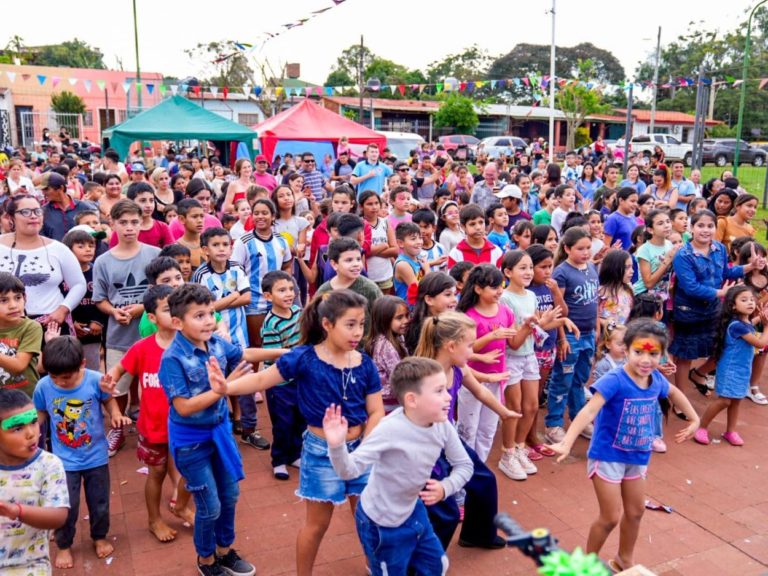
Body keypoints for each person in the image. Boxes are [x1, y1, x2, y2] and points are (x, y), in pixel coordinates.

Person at [206, 290, 385, 576]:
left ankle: (377, 566)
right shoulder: (304, 358)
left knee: (368, 518)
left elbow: (376, 411)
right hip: (321, 453)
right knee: (317, 525)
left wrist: (367, 446)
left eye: (361, 324)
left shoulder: (364, 363)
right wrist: (226, 389)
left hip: (359, 451)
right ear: (327, 324)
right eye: (350, 324)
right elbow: (263, 378)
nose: (358, 332)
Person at [547, 319, 698, 573]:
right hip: (608, 455)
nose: (645, 360)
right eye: (638, 352)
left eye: (653, 354)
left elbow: (673, 392)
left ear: (662, 356)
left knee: (637, 511)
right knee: (609, 518)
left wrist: (694, 418)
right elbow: (588, 410)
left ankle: (623, 559)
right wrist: (567, 441)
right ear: (626, 350)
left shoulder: (655, 379)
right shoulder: (615, 379)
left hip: (637, 456)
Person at [158, 283, 283, 576]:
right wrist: (221, 391)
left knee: (230, 496)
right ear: (177, 322)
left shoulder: (214, 342)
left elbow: (244, 353)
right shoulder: (172, 359)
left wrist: (287, 351)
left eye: (211, 313)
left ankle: (225, 551)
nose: (208, 321)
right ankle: (206, 560)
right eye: (199, 316)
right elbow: (184, 407)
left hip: (220, 432)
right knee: (209, 505)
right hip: (191, 442)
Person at [322, 357, 473, 575]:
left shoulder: (443, 425)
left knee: (438, 566)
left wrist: (446, 487)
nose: (449, 396)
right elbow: (349, 471)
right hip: (381, 523)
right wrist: (337, 446)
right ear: (412, 399)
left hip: (413, 511)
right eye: (439, 390)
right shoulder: (388, 430)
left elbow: (464, 465)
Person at [33, 336, 131, 569]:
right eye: (53, 376)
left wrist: (115, 415)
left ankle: (99, 536)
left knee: (99, 502)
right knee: (66, 504)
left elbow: (108, 401)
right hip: (63, 461)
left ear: (83, 365)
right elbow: (39, 415)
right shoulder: (43, 386)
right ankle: (64, 544)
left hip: (96, 456)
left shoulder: (96, 380)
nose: (59, 382)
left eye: (65, 377)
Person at [107, 285, 194, 541]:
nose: (176, 313)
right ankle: (154, 520)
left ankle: (181, 506)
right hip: (154, 424)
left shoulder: (191, 344)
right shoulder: (142, 348)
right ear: (152, 318)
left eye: (180, 307)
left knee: (190, 468)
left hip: (187, 423)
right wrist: (109, 380)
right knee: (156, 472)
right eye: (168, 309)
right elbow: (119, 370)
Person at [93, 199, 161, 456]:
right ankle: (118, 427)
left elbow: (163, 290)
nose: (130, 227)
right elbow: (100, 298)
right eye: (123, 222)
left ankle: (150, 426)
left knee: (154, 383)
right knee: (117, 385)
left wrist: (141, 309)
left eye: (134, 222)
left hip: (153, 333)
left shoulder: (154, 254)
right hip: (118, 335)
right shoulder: (103, 262)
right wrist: (114, 311)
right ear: (113, 224)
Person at [671, 210, 763, 397]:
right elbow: (690, 287)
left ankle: (699, 374)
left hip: (713, 309)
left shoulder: (720, 248)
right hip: (689, 311)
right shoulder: (683, 255)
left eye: (710, 226)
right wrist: (721, 292)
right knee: (685, 356)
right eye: (700, 226)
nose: (706, 230)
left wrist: (749, 267)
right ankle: (678, 400)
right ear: (692, 228)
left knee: (720, 347)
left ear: (715, 227)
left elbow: (726, 273)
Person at [499, 251, 563, 480]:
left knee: (532, 406)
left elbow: (536, 329)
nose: (527, 272)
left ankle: (518, 447)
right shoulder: (505, 299)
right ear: (508, 272)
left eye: (529, 267)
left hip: (530, 356)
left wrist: (546, 322)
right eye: (521, 268)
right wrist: (531, 326)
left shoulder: (531, 296)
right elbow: (513, 341)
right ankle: (507, 454)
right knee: (514, 408)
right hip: (512, 358)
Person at [0, 388, 69, 575]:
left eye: (33, 422)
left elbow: (59, 515)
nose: (31, 433)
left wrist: (17, 511)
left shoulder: (48, 465)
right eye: (17, 428)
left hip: (31, 566)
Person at [0, 195, 86, 336]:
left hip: (50, 325)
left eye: (37, 211)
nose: (33, 216)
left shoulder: (58, 249)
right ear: (11, 217)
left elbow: (79, 284)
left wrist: (63, 309)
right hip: (5, 326)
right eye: (26, 212)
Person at [695, 286, 768, 446]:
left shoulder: (743, 322)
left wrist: (761, 318)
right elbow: (761, 342)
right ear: (733, 305)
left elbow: (751, 324)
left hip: (742, 369)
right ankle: (701, 427)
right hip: (731, 370)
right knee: (725, 400)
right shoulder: (737, 326)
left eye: (751, 299)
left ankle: (731, 431)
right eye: (744, 300)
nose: (749, 302)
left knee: (736, 400)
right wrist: (767, 326)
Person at [545, 228, 599, 444]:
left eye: (588, 248)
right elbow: (558, 309)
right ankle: (554, 423)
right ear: (567, 248)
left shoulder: (592, 268)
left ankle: (579, 418)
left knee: (580, 379)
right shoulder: (561, 272)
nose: (585, 252)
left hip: (588, 334)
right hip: (570, 335)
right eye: (580, 249)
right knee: (562, 379)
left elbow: (594, 302)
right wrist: (562, 338)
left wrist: (596, 329)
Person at [259, 271, 306, 480]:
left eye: (290, 289)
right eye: (281, 290)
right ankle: (279, 460)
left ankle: (294, 455)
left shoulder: (297, 311)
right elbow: (275, 357)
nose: (289, 294)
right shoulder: (270, 324)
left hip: (300, 379)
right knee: (282, 423)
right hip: (280, 383)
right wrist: (297, 354)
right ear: (268, 296)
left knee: (300, 419)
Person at [232, 198, 292, 348]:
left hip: (278, 301)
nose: (260, 216)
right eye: (256, 213)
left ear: (273, 216)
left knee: (280, 343)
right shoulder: (243, 242)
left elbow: (287, 267)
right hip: (254, 303)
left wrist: (285, 291)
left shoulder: (281, 240)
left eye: (264, 213)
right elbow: (235, 272)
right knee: (257, 345)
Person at [193, 228, 251, 349]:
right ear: (205, 250)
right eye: (215, 245)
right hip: (215, 331)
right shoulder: (201, 275)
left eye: (225, 244)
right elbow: (205, 308)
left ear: (231, 248)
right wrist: (233, 296)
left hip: (239, 331)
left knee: (243, 364)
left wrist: (217, 304)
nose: (221, 248)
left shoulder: (237, 268)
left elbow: (246, 298)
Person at [317, 238, 383, 335]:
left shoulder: (370, 289)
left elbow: (382, 318)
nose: (356, 264)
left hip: (365, 347)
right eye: (349, 260)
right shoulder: (324, 291)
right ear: (334, 264)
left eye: (358, 259)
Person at [62, 229, 107, 371]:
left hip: (92, 333)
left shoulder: (98, 271)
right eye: (80, 246)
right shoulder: (62, 274)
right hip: (69, 331)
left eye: (91, 245)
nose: (88, 249)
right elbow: (58, 300)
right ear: (68, 250)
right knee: (69, 368)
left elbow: (106, 297)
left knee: (91, 369)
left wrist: (98, 321)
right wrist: (71, 322)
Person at [0, 273, 42, 396]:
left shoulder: (31, 327)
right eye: (3, 300)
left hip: (25, 401)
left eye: (17, 298)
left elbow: (19, 366)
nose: (13, 305)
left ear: (25, 298)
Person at [366, 296, 410, 413]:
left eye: (407, 316)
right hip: (389, 404)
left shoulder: (397, 336)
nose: (406, 321)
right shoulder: (386, 346)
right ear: (384, 320)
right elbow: (400, 376)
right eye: (399, 318)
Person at [447, 205, 504, 270]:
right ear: (463, 226)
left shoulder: (496, 252)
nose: (478, 227)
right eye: (472, 224)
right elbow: (452, 279)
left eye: (481, 222)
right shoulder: (455, 254)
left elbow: (500, 279)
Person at [393, 222, 428, 303]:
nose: (419, 242)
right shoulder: (403, 264)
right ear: (400, 243)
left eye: (420, 238)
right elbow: (420, 290)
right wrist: (427, 270)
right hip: (410, 311)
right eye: (413, 239)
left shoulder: (417, 258)